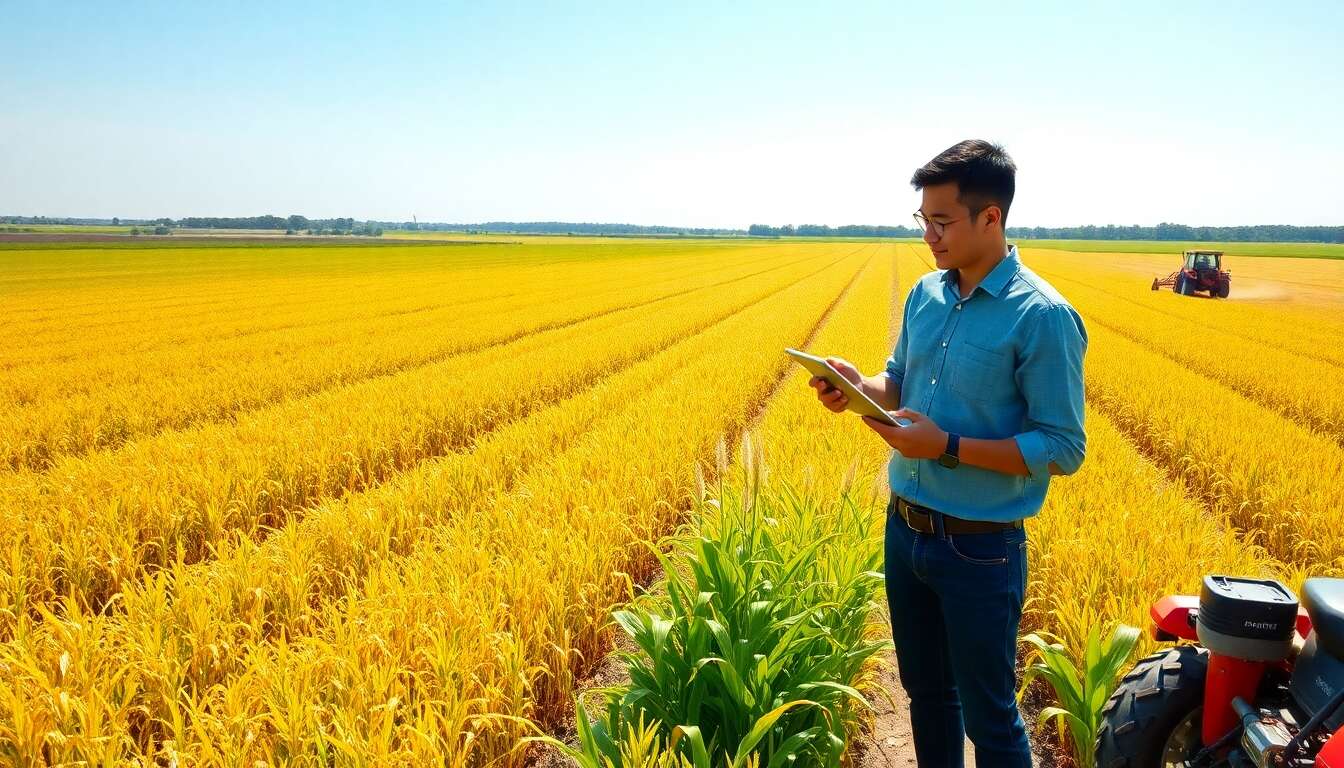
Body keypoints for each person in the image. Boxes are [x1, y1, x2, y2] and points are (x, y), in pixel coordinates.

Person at [810, 139, 1087, 767]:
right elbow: (897, 382)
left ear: (991, 217)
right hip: (904, 531)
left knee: (991, 718)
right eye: (923, 220)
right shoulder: (925, 296)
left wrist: (950, 447)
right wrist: (858, 389)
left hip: (980, 547)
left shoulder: (1042, 317)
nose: (929, 235)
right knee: (927, 698)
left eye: (942, 221)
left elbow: (1064, 447)